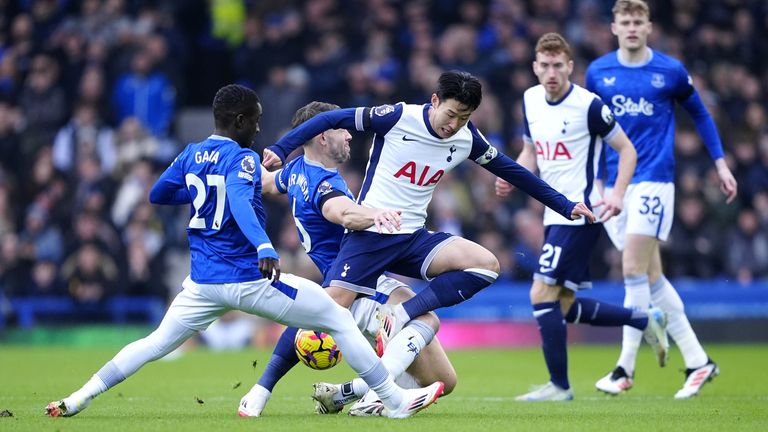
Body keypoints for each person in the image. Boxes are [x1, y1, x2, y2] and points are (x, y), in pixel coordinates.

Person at [45, 84, 443, 419]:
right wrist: (264, 244)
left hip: (201, 283)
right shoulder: (244, 159)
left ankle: (79, 397)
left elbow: (158, 193)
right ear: (239, 121)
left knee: (153, 344)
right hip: (248, 279)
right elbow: (237, 198)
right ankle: (394, 400)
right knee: (337, 319)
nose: (258, 128)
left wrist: (203, 190)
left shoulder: (191, 153)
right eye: (254, 120)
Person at [262, 70, 597, 411]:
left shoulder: (466, 138)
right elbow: (332, 117)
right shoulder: (397, 117)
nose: (454, 124)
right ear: (434, 100)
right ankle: (263, 390)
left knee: (485, 269)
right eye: (451, 114)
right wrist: (280, 147)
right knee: (325, 308)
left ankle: (366, 371)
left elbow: (513, 171)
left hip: (412, 238)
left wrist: (565, 204)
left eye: (463, 117)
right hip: (371, 236)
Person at [239, 101, 457, 417]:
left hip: (340, 283)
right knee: (427, 317)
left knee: (444, 381)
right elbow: (339, 211)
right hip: (360, 283)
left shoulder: (295, 171)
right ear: (323, 136)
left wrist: (236, 156)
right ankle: (374, 399)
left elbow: (267, 182)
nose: (350, 136)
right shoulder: (326, 183)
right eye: (343, 129)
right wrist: (373, 215)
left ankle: (335, 393)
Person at [495, 33, 668, 402]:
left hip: (582, 213)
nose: (552, 72)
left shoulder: (589, 105)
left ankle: (559, 387)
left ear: (571, 67)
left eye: (559, 65)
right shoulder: (529, 100)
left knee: (541, 292)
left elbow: (627, 150)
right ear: (535, 67)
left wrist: (617, 192)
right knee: (563, 306)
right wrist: (511, 177)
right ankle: (642, 319)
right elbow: (531, 151)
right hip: (553, 216)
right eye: (545, 65)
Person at [585, 0, 738, 399]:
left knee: (632, 267)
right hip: (617, 185)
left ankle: (624, 368)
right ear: (614, 27)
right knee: (651, 279)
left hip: (654, 181)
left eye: (639, 21)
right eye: (625, 22)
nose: (632, 27)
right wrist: (596, 182)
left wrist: (720, 164)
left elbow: (701, 115)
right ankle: (699, 361)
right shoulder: (599, 73)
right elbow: (593, 132)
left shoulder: (669, 71)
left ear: (649, 26)